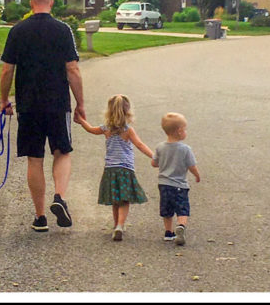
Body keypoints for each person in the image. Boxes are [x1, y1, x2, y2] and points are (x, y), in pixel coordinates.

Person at [0, 0, 85, 232]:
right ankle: (59, 197)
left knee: (34, 158)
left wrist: (5, 100)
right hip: (57, 103)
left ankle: (39, 217)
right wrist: (81, 103)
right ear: (52, 4)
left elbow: (7, 70)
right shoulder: (63, 30)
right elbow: (73, 69)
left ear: (30, 4)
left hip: (28, 105)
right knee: (62, 152)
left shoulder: (17, 30)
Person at [74, 95, 154, 241]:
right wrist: (154, 156)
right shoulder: (128, 130)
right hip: (125, 169)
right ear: (128, 111)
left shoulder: (106, 129)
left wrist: (81, 120)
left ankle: (116, 224)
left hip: (110, 169)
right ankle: (120, 225)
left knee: (115, 198)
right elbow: (140, 145)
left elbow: (91, 129)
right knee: (124, 199)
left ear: (109, 112)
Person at [151, 112, 202, 246]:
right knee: (182, 208)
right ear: (179, 131)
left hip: (163, 184)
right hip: (180, 185)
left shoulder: (160, 147)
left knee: (167, 210)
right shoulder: (185, 149)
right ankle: (181, 226)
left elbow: (154, 163)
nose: (185, 132)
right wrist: (197, 175)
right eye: (185, 129)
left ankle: (169, 232)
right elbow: (192, 166)